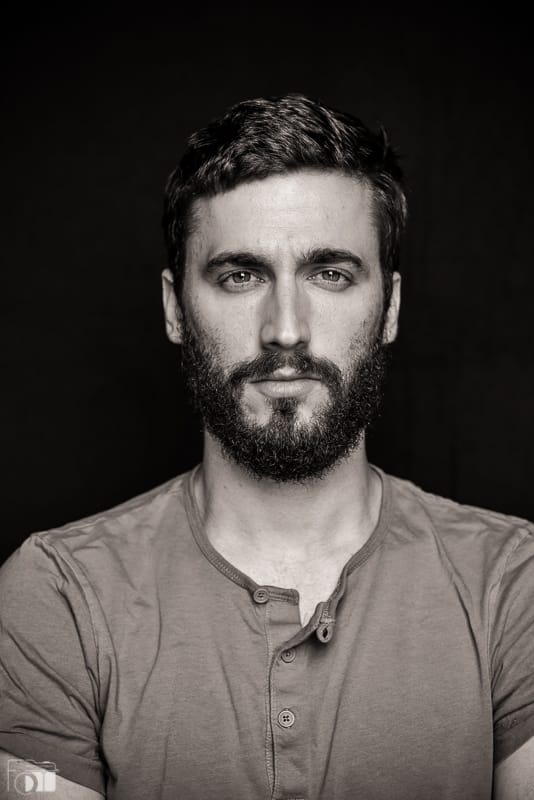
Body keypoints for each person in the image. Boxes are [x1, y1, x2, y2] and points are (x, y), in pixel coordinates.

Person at [0, 94, 533, 800]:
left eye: (331, 274)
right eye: (240, 276)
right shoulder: (58, 595)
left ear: (392, 307)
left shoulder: (513, 583)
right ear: (175, 308)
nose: (285, 329)